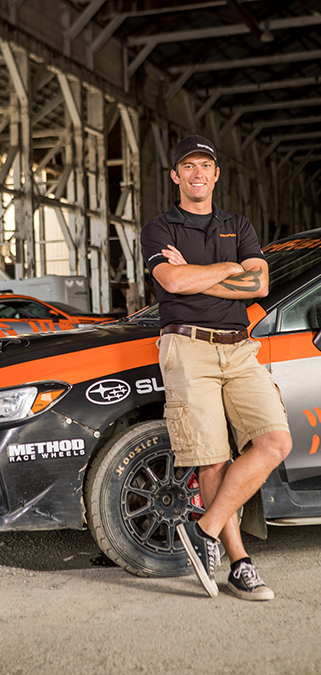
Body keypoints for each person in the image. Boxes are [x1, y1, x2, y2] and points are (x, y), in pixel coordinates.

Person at [141, 134, 292, 600]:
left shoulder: (237, 224)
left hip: (239, 348)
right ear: (175, 175)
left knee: (275, 442)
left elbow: (259, 284)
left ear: (216, 174)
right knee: (212, 458)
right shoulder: (159, 228)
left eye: (204, 165)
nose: (197, 173)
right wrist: (229, 269)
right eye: (188, 166)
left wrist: (200, 275)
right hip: (188, 348)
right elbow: (172, 280)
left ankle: (203, 529)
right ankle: (240, 563)